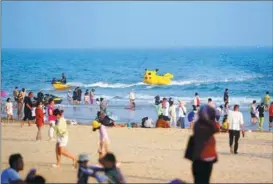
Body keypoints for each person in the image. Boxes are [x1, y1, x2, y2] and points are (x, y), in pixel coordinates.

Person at [191, 105, 218, 184]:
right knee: (205, 179)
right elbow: (216, 129)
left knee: (198, 179)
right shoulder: (209, 127)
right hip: (207, 158)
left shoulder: (197, 125)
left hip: (198, 158)